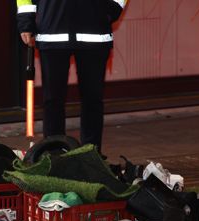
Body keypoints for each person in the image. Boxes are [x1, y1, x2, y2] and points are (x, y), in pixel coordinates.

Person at [16, 0, 128, 153]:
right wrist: (25, 21)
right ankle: (54, 155)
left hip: (93, 33)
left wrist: (110, 9)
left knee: (92, 100)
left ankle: (90, 156)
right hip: (53, 32)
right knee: (53, 100)